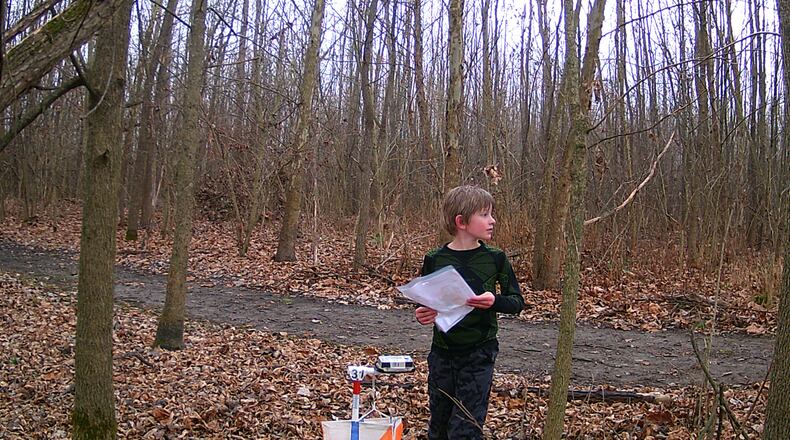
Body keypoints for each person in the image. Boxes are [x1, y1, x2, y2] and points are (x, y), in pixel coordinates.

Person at [415, 185, 524, 439]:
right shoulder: (434, 259)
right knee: (439, 426)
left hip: (479, 353)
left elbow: (516, 302)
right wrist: (422, 313)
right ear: (461, 221)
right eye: (485, 215)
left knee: (465, 429)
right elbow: (423, 301)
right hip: (442, 354)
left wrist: (493, 301)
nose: (492, 220)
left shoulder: (495, 258)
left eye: (491, 214)